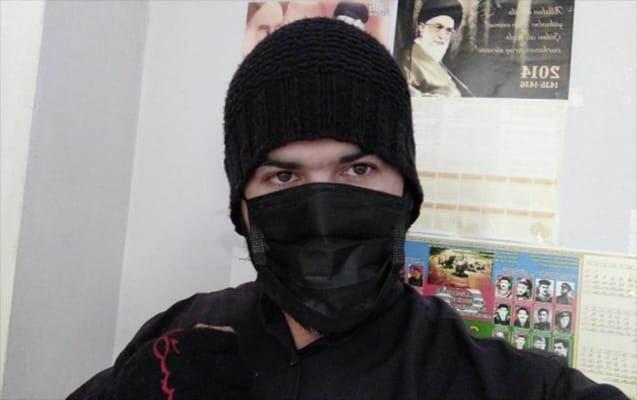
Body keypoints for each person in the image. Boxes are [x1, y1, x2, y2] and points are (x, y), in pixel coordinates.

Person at [67, 17, 628, 400]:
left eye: (357, 169)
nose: (320, 210)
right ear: (242, 206)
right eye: (283, 175)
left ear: (406, 190)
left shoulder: (495, 381)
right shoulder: (178, 335)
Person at [401, 0, 471, 97]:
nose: (442, 36)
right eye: (438, 27)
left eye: (448, 30)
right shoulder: (408, 59)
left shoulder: (435, 60)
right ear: (422, 28)